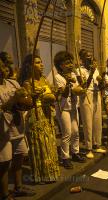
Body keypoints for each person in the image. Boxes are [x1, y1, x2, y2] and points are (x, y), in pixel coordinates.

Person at [19, 54, 60, 183]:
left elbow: (52, 97)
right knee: (39, 145)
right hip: (36, 115)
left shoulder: (44, 80)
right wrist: (33, 96)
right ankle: (40, 175)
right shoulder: (27, 83)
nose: (41, 65)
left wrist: (56, 93)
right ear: (30, 66)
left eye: (41, 62)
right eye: (37, 63)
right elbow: (26, 102)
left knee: (49, 144)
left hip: (47, 115)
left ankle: (50, 173)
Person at [0, 59, 35, 200]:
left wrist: (30, 99)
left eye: (3, 66)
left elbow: (24, 102)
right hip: (3, 130)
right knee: (4, 163)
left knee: (20, 157)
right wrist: (15, 98)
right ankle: (4, 194)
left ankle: (18, 187)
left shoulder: (12, 83)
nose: (3, 69)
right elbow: (3, 108)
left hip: (18, 127)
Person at [53, 51, 86, 169]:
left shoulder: (73, 75)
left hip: (73, 107)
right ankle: (65, 157)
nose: (70, 65)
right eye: (67, 63)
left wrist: (79, 81)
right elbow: (65, 95)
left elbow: (79, 89)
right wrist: (68, 83)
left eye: (71, 62)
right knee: (67, 133)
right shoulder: (57, 78)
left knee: (76, 132)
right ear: (60, 65)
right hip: (63, 109)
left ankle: (75, 152)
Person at [78, 49, 106, 159]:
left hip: (96, 95)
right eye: (87, 56)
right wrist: (92, 73)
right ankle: (88, 148)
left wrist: (102, 81)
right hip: (86, 96)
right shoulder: (79, 70)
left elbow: (100, 85)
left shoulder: (96, 70)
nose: (90, 58)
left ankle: (96, 144)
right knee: (88, 123)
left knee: (97, 121)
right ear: (82, 58)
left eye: (91, 55)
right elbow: (84, 86)